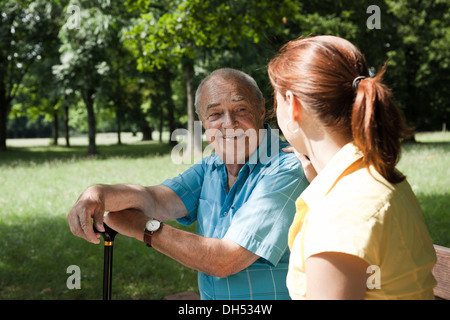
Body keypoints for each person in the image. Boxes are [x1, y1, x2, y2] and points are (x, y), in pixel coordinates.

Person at [67, 68, 309, 300]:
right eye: (215, 114)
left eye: (240, 109)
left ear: (261, 109)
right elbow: (154, 199)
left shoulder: (286, 167)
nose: (229, 123)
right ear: (202, 121)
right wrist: (97, 194)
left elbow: (225, 260)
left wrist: (145, 228)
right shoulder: (211, 167)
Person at [267, 35, 437, 300]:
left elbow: (347, 222)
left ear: (294, 104)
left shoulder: (340, 214)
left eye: (276, 99)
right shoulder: (369, 176)